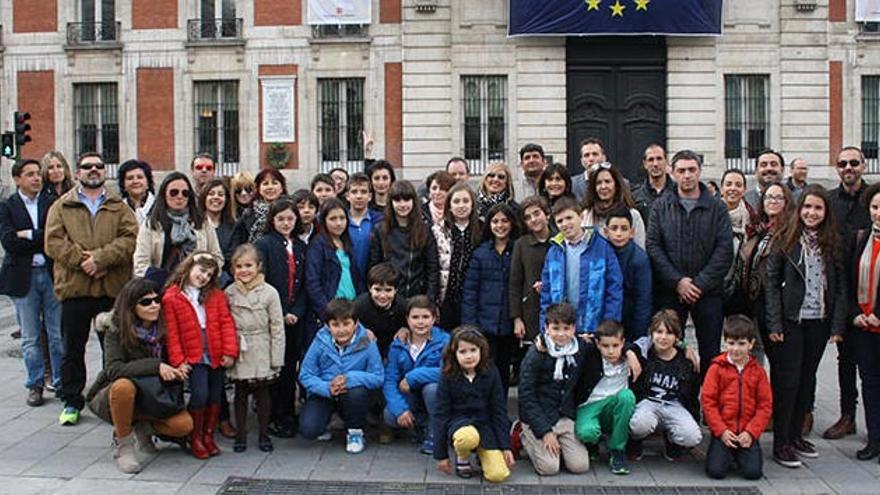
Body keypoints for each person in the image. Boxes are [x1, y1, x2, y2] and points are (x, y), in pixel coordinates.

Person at [45, 151, 138, 427]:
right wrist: (82, 261)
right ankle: (72, 400)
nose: (94, 170)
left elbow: (130, 239)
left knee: (114, 349)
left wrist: (101, 259)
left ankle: (112, 398)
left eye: (99, 166)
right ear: (77, 173)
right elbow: (54, 242)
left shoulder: (118, 207)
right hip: (76, 289)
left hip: (111, 289)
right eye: (88, 167)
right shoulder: (62, 207)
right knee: (72, 348)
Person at [765, 185, 847, 467]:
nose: (812, 213)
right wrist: (774, 322)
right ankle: (781, 442)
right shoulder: (785, 239)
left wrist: (836, 326)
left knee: (807, 379)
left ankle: (796, 434)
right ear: (799, 211)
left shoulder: (832, 242)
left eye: (818, 208)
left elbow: (839, 288)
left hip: (819, 321)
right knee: (787, 381)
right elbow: (771, 285)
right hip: (791, 321)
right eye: (807, 207)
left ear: (826, 212)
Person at [85, 278, 193, 473]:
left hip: (153, 394)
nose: (154, 305)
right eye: (146, 302)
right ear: (131, 306)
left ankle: (141, 425)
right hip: (118, 393)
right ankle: (124, 445)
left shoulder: (164, 325)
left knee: (183, 425)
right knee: (124, 386)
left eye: (156, 300)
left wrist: (179, 367)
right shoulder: (116, 329)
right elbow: (114, 369)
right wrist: (156, 366)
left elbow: (176, 356)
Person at [646, 150, 733, 377]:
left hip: (708, 292)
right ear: (672, 173)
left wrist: (699, 284)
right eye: (681, 170)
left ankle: (709, 403)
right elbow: (653, 246)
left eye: (692, 170)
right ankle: (676, 399)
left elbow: (724, 250)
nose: (687, 175)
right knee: (669, 348)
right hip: (671, 290)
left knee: (711, 352)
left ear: (700, 171)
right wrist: (678, 282)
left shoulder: (717, 207)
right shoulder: (661, 206)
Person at [162, 252, 238, 459]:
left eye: (209, 274)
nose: (204, 277)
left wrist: (229, 351)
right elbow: (172, 333)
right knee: (200, 394)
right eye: (202, 271)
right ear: (189, 268)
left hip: (214, 350)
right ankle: (194, 435)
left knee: (216, 394)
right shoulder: (172, 297)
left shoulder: (216, 295)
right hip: (193, 354)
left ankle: (208, 434)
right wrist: (178, 361)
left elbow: (226, 323)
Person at [0, 159, 63, 406]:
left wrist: (27, 234)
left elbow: (55, 237)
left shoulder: (51, 203)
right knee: (30, 337)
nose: (37, 178)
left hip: (50, 274)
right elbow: (8, 242)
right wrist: (38, 237)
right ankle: (35, 384)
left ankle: (59, 381)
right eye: (30, 174)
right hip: (22, 277)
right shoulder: (7, 207)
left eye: (38, 173)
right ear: (17, 179)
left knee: (57, 334)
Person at [824, 146, 871, 441]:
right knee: (845, 358)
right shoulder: (830, 201)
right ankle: (847, 416)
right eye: (843, 164)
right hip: (841, 290)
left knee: (871, 365)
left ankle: (874, 420)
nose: (848, 168)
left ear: (864, 165)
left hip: (870, 290)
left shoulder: (874, 198)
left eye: (854, 163)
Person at [513, 303, 591, 476]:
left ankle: (560, 447)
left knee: (580, 466)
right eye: (555, 328)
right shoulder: (537, 353)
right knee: (549, 468)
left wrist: (630, 352)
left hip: (564, 415)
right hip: (540, 416)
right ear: (546, 328)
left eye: (567, 328)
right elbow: (526, 394)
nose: (561, 334)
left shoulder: (580, 347)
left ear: (574, 328)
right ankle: (522, 433)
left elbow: (604, 337)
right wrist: (545, 431)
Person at [298, 298, 384, 454]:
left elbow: (378, 376)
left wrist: (349, 378)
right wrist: (326, 388)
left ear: (355, 323)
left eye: (346, 324)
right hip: (326, 391)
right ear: (328, 326)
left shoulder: (367, 342)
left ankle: (355, 432)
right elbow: (306, 374)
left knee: (356, 394)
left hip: (353, 392)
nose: (341, 329)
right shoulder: (319, 341)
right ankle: (328, 420)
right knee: (309, 429)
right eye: (335, 325)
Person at [255, 199, 308, 438]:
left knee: (290, 367)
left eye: (290, 218)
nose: (286, 223)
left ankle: (289, 412)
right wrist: (280, 312)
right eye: (281, 219)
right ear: (272, 221)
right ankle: (275, 415)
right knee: (276, 367)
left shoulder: (301, 247)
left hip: (295, 317)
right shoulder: (264, 244)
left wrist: (296, 311)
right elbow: (262, 281)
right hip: (273, 317)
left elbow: (304, 282)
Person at [225, 244, 285, 453]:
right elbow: (225, 323)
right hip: (240, 346)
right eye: (239, 266)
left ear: (258, 266)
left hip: (261, 344)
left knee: (262, 392)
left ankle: (263, 434)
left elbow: (277, 326)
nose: (244, 270)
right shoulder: (229, 293)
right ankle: (240, 434)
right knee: (240, 392)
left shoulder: (270, 292)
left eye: (249, 265)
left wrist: (277, 357)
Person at [434, 326, 514, 482]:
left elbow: (498, 411)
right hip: (459, 424)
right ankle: (462, 458)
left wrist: (505, 446)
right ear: (454, 354)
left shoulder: (491, 372)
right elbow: (440, 414)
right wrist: (441, 455)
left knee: (498, 475)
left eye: (473, 350)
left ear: (481, 350)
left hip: (485, 426)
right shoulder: (448, 375)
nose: (469, 356)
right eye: (462, 352)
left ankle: (481, 454)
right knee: (467, 437)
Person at [702, 315, 772, 480]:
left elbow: (765, 405)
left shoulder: (758, 371)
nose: (736, 349)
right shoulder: (716, 368)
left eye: (741, 344)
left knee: (753, 473)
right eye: (731, 343)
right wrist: (721, 431)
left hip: (746, 432)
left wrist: (751, 432)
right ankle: (725, 454)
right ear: (725, 342)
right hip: (724, 431)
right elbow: (708, 402)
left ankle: (740, 455)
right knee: (716, 471)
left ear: (751, 344)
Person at [540, 197, 623, 335]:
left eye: (569, 218)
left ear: (581, 216)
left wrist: (609, 327)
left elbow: (614, 289)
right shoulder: (553, 252)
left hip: (593, 329)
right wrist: (545, 330)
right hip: (562, 331)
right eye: (560, 221)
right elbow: (546, 295)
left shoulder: (602, 247)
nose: (565, 224)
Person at [628, 310, 701, 462]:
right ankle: (635, 440)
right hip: (647, 403)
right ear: (651, 333)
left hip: (673, 405)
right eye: (659, 332)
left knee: (692, 436)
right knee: (640, 424)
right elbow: (625, 345)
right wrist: (630, 353)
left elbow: (692, 395)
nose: (663, 337)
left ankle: (672, 440)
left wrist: (693, 418)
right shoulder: (644, 352)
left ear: (677, 337)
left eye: (669, 333)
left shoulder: (686, 360)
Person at [462, 203, 520, 392]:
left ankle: (501, 411)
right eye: (495, 221)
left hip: (508, 323)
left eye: (504, 221)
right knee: (485, 368)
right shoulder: (480, 253)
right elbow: (470, 291)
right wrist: (470, 325)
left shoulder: (518, 249)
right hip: (484, 323)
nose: (500, 225)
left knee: (503, 369)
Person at [382, 296, 449, 454]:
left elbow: (449, 372)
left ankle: (436, 434)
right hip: (410, 397)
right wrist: (400, 409)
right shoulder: (398, 344)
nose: (420, 322)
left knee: (432, 389)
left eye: (426, 317)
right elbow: (390, 380)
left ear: (434, 318)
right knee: (390, 416)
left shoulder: (445, 341)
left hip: (436, 397)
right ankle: (420, 426)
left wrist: (414, 376)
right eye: (415, 317)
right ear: (407, 319)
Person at [574, 320, 639, 475]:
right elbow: (571, 341)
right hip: (590, 404)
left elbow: (650, 345)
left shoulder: (630, 357)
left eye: (615, 346)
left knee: (627, 396)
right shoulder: (591, 354)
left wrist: (629, 351)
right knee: (587, 432)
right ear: (597, 344)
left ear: (623, 343)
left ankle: (617, 449)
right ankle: (592, 443)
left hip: (614, 405)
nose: (611, 351)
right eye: (605, 346)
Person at [737, 182, 793, 363]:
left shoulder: (790, 232)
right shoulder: (762, 230)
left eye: (778, 197)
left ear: (787, 201)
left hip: (779, 306)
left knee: (781, 362)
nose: (772, 201)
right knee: (756, 355)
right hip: (757, 302)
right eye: (769, 197)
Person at [133, 172, 223, 284]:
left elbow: (217, 257)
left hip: (197, 287)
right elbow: (140, 264)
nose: (180, 196)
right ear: (164, 194)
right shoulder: (151, 224)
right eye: (174, 192)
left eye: (185, 193)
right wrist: (160, 283)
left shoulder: (202, 222)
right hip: (161, 286)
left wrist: (204, 277)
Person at [848, 182, 880, 461]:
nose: (879, 213)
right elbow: (850, 279)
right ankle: (874, 438)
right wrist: (855, 313)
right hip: (864, 324)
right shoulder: (862, 239)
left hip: (878, 318)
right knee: (869, 383)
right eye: (874, 207)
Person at [369, 180, 440, 300]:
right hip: (389, 298)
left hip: (417, 297)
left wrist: (430, 298)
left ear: (414, 201)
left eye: (406, 200)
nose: (402, 205)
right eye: (397, 200)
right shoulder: (380, 230)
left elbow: (432, 268)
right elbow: (374, 265)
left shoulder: (425, 230)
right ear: (391, 202)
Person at [432, 183, 481, 331]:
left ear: (473, 204)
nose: (461, 206)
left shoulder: (481, 229)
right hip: (446, 296)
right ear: (449, 206)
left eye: (465, 201)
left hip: (473, 298)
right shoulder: (437, 230)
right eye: (456, 201)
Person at [307, 198, 364, 321]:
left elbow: (356, 277)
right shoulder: (318, 245)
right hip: (332, 309)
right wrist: (326, 311)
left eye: (342, 218)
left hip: (352, 306)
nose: (338, 223)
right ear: (324, 221)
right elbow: (312, 282)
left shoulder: (347, 242)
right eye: (333, 219)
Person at [605, 207, 652, 342]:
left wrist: (638, 337)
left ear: (632, 232)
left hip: (630, 318)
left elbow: (643, 301)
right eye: (614, 228)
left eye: (624, 229)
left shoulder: (640, 259)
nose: (619, 234)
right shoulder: (601, 253)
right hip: (606, 319)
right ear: (606, 232)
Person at [510, 196, 553, 343]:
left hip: (557, 307)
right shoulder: (521, 245)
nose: (533, 219)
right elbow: (515, 283)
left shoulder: (560, 241)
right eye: (528, 218)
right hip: (530, 310)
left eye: (536, 213)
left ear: (547, 214)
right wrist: (517, 318)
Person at [582, 162, 646, 249]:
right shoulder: (586, 215)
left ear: (616, 185)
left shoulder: (633, 215)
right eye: (598, 183)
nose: (603, 186)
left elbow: (640, 249)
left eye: (607, 181)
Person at [720, 168, 756, 316]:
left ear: (744, 189)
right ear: (722, 188)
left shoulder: (753, 218)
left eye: (738, 185)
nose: (733, 188)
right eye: (728, 184)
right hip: (715, 286)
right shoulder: (710, 214)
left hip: (742, 288)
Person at [354, 263, 407, 358]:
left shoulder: (403, 306)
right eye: (377, 290)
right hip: (364, 353)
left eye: (388, 290)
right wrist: (360, 331)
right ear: (370, 288)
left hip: (392, 354)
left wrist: (406, 328)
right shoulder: (358, 306)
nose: (382, 296)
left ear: (396, 290)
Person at [233, 168, 288, 245]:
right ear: (258, 188)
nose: (270, 187)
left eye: (274, 183)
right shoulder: (248, 214)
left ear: (282, 187)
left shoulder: (291, 210)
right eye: (265, 183)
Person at [198, 178, 237, 285]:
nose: (216, 197)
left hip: (224, 279)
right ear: (204, 198)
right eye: (211, 194)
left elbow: (232, 256)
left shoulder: (234, 226)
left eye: (220, 194)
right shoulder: (195, 224)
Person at [347, 173, 383, 281]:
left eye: (363, 192)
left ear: (370, 196)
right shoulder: (340, 220)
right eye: (354, 192)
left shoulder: (380, 220)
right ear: (347, 196)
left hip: (371, 280)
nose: (359, 196)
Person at [633, 143, 674, 229]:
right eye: (651, 160)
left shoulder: (679, 193)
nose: (655, 164)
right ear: (645, 164)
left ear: (666, 161)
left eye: (659, 159)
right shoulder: (635, 197)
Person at [537, 163, 574, 231]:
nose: (554, 183)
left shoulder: (573, 206)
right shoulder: (538, 206)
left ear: (566, 183)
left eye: (558, 179)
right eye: (550, 180)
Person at [117, 159, 156, 224]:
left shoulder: (160, 207)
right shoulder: (117, 210)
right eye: (130, 178)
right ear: (123, 185)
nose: (135, 181)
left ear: (148, 183)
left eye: (140, 177)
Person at [573, 137, 608, 202]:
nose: (591, 159)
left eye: (595, 154)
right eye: (586, 155)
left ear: (604, 158)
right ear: (582, 161)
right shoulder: (572, 184)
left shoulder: (621, 183)